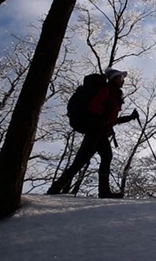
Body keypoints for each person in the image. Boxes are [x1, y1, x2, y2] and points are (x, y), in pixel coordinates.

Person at [47, 68, 138, 198]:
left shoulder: (115, 94)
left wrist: (130, 117)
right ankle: (101, 191)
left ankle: (58, 187)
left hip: (99, 129)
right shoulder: (106, 90)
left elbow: (111, 119)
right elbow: (93, 107)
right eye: (121, 77)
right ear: (114, 78)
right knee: (88, 159)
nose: (123, 80)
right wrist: (105, 113)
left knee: (97, 158)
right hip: (95, 129)